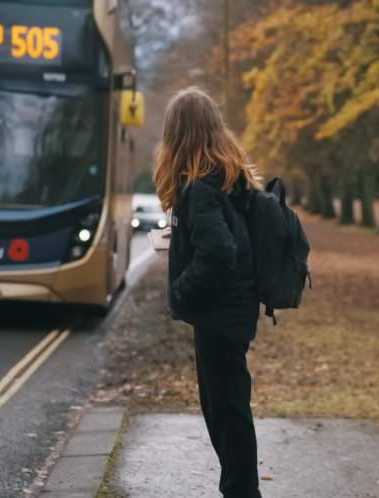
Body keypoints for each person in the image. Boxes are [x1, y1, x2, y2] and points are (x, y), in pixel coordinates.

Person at [153, 87, 263, 498]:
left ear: (179, 134)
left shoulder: (200, 188)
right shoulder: (226, 178)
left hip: (219, 318)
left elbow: (219, 252)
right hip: (232, 314)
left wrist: (180, 292)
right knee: (229, 413)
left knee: (226, 416)